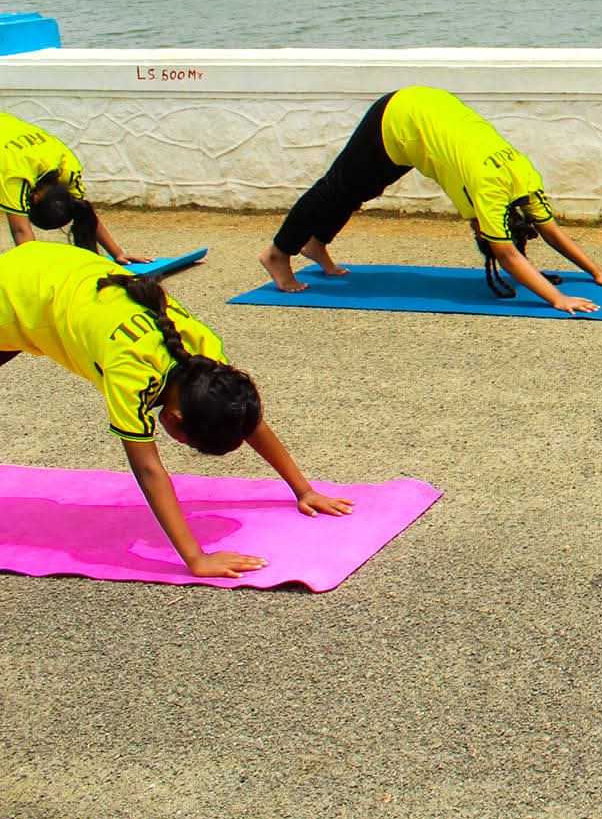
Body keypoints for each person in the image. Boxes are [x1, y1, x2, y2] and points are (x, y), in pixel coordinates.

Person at [0, 241, 353, 578]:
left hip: (55, 269)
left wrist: (304, 489)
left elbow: (242, 413)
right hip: (17, 290)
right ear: (175, 421)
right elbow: (148, 470)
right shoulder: (132, 375)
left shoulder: (203, 350)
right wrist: (196, 558)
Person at [258, 87, 602, 313]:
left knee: (361, 189)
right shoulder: (486, 190)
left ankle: (316, 244)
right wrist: (556, 298)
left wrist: (597, 272)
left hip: (429, 113)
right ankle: (278, 253)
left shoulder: (524, 176)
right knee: (336, 188)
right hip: (400, 118)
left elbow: (552, 232)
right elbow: (506, 255)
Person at [1, 111, 138, 263]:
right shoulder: (15, 177)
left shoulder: (67, 167)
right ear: (34, 198)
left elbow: (84, 212)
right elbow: (21, 229)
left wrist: (117, 253)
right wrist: (37, 273)